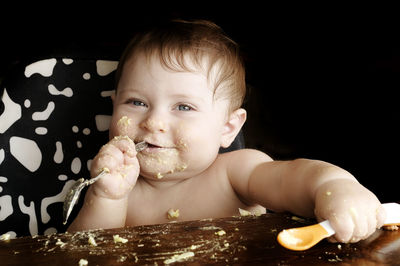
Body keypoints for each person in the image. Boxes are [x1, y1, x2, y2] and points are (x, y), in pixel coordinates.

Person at [68, 19, 386, 243]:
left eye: (183, 107)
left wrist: (335, 187)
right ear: (114, 107)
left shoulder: (236, 173)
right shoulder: (119, 188)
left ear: (228, 127)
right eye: (137, 102)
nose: (153, 122)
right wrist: (106, 196)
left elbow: (295, 178)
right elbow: (83, 254)